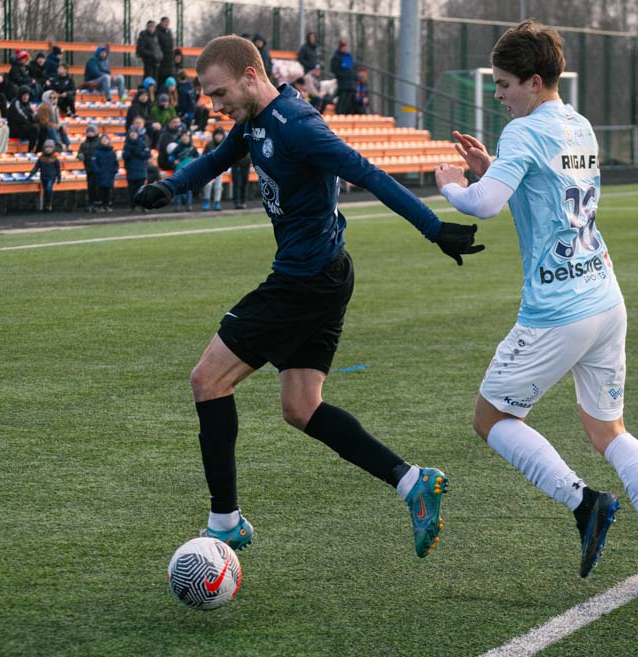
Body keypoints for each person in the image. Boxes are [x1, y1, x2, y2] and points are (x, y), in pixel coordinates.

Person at [133, 35, 482, 558]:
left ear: (250, 76)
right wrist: (171, 186)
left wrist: (435, 229)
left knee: (207, 381)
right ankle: (413, 482)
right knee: (301, 407)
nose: (215, 104)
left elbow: (366, 172)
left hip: (305, 281)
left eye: (219, 92)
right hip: (323, 275)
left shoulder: (297, 125)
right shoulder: (254, 120)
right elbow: (216, 159)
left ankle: (224, 522)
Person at [434, 21, 638, 593]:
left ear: (533, 81)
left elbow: (484, 207)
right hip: (604, 295)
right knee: (608, 430)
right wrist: (490, 168)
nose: (498, 95)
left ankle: (585, 504)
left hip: (558, 309)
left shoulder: (524, 132)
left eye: (504, 84)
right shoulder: (580, 124)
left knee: (491, 420)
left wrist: (451, 183)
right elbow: (542, 193)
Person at [122, 122, 152, 212]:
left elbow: (147, 155)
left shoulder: (142, 143)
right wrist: (129, 153)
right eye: (131, 132)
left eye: (134, 132)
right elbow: (124, 156)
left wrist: (138, 153)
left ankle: (142, 205)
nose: (133, 134)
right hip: (131, 171)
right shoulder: (127, 144)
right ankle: (133, 206)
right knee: (131, 190)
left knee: (141, 189)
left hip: (141, 170)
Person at [27, 138, 62, 212]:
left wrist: (59, 177)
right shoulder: (41, 158)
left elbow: (58, 168)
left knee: (49, 188)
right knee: (46, 190)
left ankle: (49, 204)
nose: (48, 149)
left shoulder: (55, 159)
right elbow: (36, 167)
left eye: (50, 147)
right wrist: (31, 174)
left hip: (51, 177)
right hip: (43, 177)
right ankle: (46, 204)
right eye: (46, 147)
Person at [7, 86, 41, 152]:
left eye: (27, 95)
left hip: (24, 127)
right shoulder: (16, 103)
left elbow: (33, 114)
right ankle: (30, 150)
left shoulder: (27, 104)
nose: (26, 97)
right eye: (24, 95)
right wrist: (33, 123)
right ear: (20, 95)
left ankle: (39, 150)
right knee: (35, 128)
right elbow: (22, 118)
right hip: (16, 129)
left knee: (43, 129)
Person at [76, 124, 101, 212]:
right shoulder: (84, 144)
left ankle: (97, 204)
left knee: (96, 186)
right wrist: (80, 155)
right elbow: (79, 153)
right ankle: (91, 203)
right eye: (88, 132)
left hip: (97, 169)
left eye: (92, 131)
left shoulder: (99, 143)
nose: (90, 133)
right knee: (90, 186)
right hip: (88, 168)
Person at [91, 133, 119, 211]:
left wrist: (115, 170)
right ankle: (101, 206)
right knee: (101, 190)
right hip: (101, 175)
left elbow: (115, 162)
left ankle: (107, 205)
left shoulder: (112, 152)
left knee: (108, 191)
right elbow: (94, 163)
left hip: (109, 174)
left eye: (106, 139)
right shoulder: (97, 152)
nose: (104, 141)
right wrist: (97, 170)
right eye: (103, 140)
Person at [201, 126, 226, 210]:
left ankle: (217, 202)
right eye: (217, 134)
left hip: (220, 167)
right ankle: (206, 200)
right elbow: (203, 156)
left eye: (220, 135)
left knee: (218, 186)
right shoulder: (209, 144)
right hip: (209, 167)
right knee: (208, 185)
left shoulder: (225, 145)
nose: (218, 136)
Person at [330, 40, 356, 115]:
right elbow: (334, 69)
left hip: (350, 82)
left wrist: (353, 77)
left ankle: (345, 113)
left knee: (348, 99)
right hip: (342, 82)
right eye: (344, 47)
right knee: (342, 98)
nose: (346, 49)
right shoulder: (336, 57)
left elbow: (351, 68)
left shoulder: (348, 56)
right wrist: (343, 74)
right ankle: (339, 113)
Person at [155, 16, 176, 85]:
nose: (166, 24)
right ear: (161, 22)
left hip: (169, 60)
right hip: (161, 61)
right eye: (165, 22)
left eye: (168, 22)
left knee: (170, 79)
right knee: (160, 79)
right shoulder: (157, 32)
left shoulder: (169, 32)